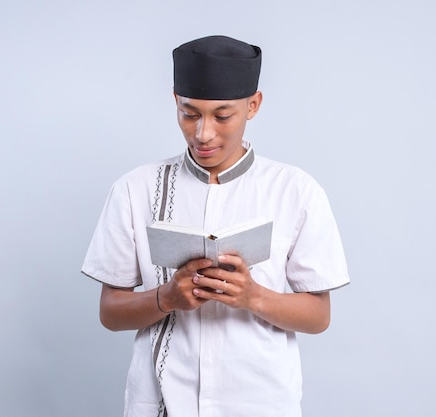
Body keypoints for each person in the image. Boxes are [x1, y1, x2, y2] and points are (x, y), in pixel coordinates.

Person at [81, 35, 350, 417]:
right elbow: (110, 310)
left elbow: (319, 316)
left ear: (253, 105)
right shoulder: (134, 189)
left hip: (260, 403)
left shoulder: (296, 191)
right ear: (176, 100)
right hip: (161, 403)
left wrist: (252, 296)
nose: (203, 133)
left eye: (222, 116)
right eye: (190, 114)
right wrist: (166, 298)